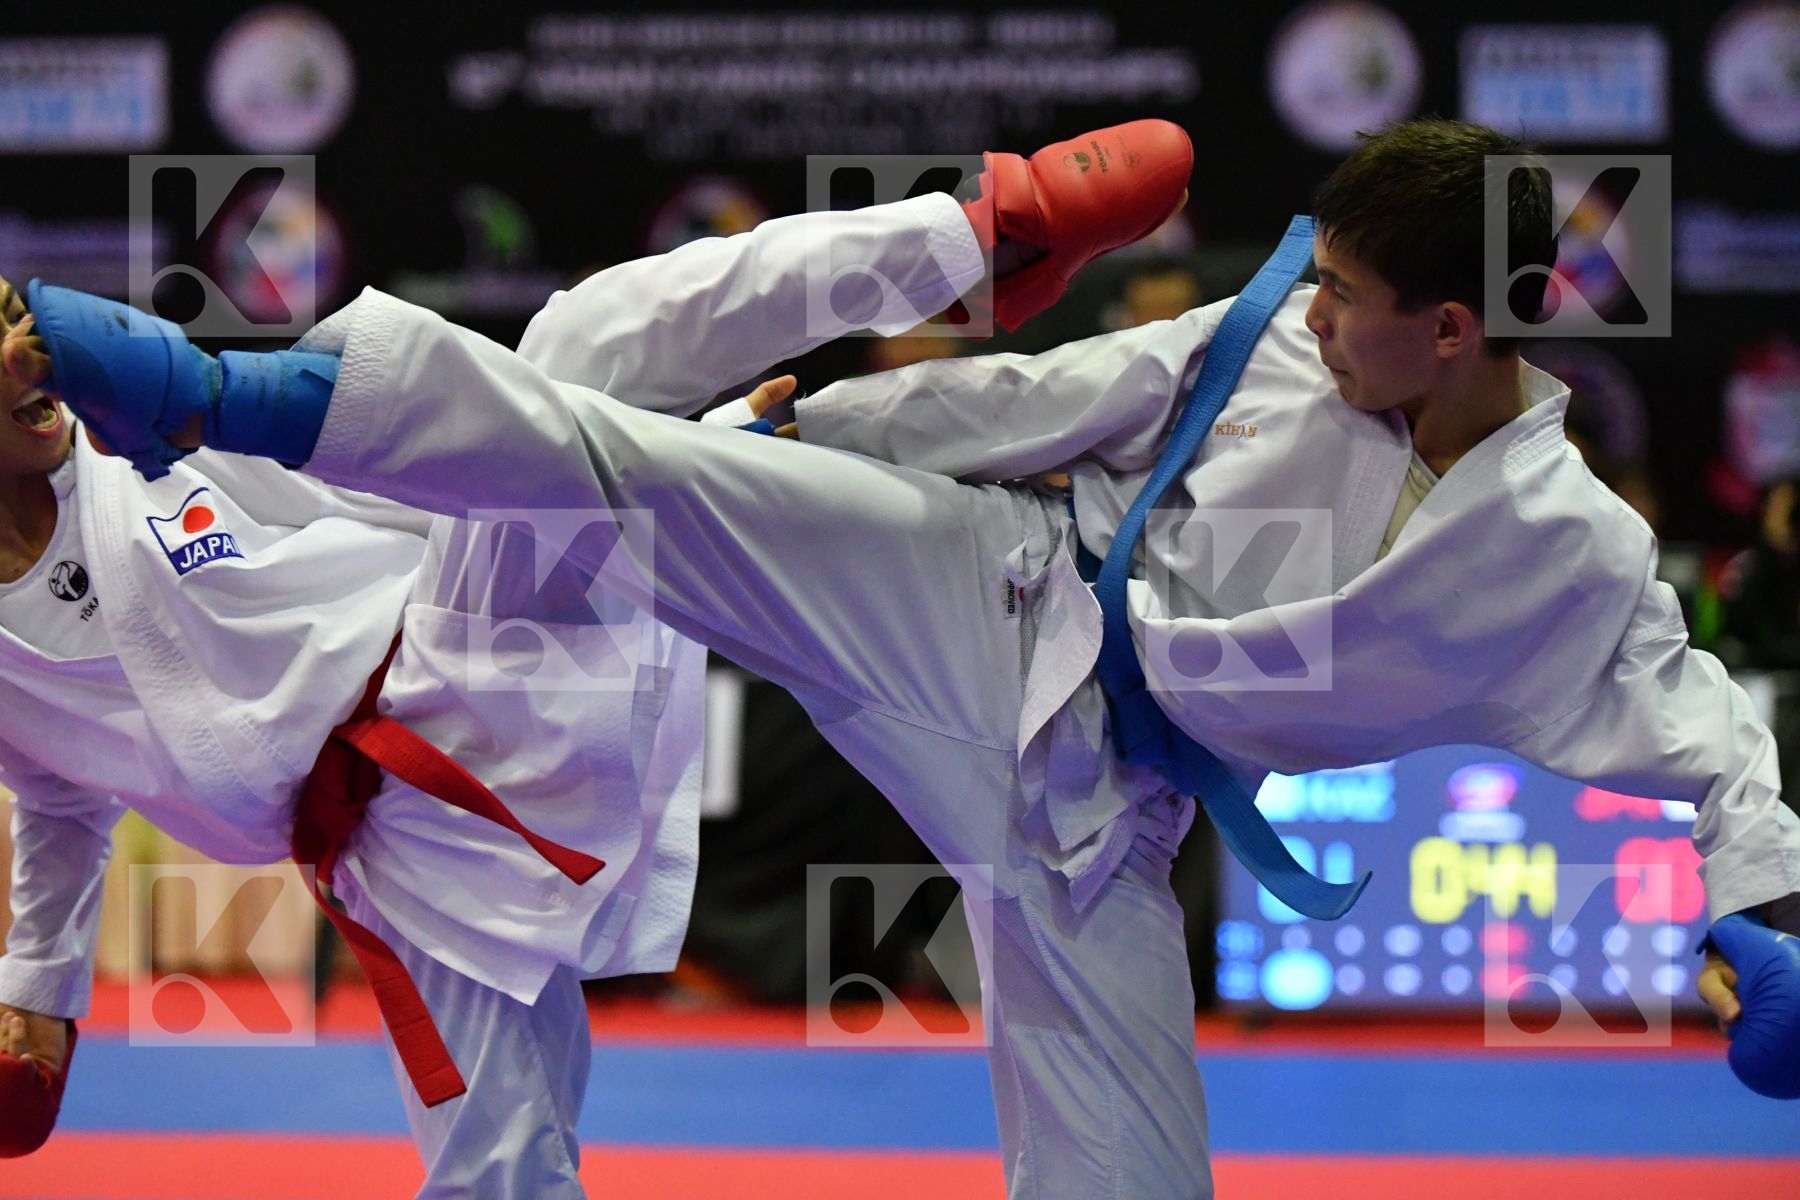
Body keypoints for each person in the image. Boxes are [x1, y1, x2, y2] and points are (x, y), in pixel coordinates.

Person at [26, 119, 1800, 1197]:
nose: (1304, 307)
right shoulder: (1271, 344)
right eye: (1313, 278)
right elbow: (1042, 400)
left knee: (1129, 1169)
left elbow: (1711, 733)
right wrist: (841, 433)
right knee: (631, 448)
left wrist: (1769, 919)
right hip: (993, 595)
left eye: (1340, 294)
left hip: (1101, 811)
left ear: (1457, 330)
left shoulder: (1567, 560)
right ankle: (218, 391)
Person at [0, 118, 1195, 1194]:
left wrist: (686, 456)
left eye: (14, 318)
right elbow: (58, 798)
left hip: (456, 643)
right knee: (494, 1171)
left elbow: (419, 467)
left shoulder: (136, 456)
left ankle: (988, 227)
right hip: (391, 856)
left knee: (581, 338)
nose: (23, 357)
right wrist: (36, 1002)